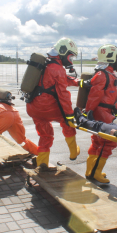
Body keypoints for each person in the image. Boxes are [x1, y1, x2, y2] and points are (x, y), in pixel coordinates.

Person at [26, 37, 81, 168]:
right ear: (63, 52)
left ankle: (42, 162)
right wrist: (69, 115)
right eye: (70, 56)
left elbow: (58, 79)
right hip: (47, 108)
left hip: (33, 107)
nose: (70, 60)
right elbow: (63, 95)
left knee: (45, 135)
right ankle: (74, 152)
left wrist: (77, 82)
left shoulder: (45, 63)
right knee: (67, 124)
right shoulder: (57, 68)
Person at [80, 44, 117, 183]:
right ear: (112, 58)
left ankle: (90, 171)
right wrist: (88, 112)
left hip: (105, 112)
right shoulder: (103, 75)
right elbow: (94, 96)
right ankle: (96, 172)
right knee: (107, 143)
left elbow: (110, 98)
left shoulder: (109, 75)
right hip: (101, 114)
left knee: (97, 141)